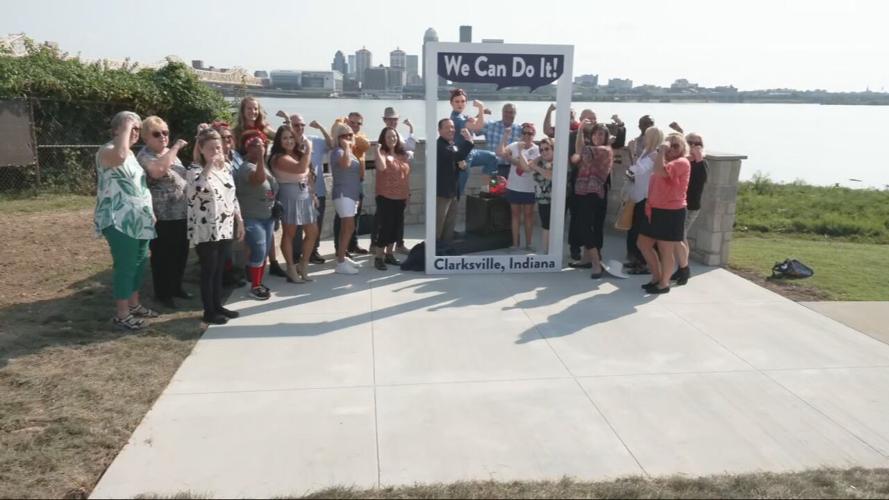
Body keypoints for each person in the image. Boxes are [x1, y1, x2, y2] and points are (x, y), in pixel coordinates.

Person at [95, 111, 158, 331]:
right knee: (126, 265)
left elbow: (138, 186)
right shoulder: (108, 150)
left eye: (137, 129)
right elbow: (119, 157)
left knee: (139, 263)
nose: (135, 132)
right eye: (131, 127)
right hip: (118, 219)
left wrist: (149, 210)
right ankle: (122, 314)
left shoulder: (130, 154)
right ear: (116, 130)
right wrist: (125, 127)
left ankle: (134, 305)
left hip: (138, 219)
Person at [187, 127, 244, 325]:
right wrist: (209, 165)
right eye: (211, 148)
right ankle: (208, 311)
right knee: (209, 270)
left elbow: (232, 195)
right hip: (206, 227)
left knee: (220, 269)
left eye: (218, 148)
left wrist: (239, 220)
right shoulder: (194, 170)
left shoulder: (226, 168)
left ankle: (218, 305)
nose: (216, 152)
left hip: (225, 225)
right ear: (201, 149)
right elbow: (196, 189)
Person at [136, 116, 190, 310]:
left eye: (165, 133)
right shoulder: (145, 155)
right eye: (157, 134)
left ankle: (176, 287)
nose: (163, 137)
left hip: (181, 212)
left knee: (180, 253)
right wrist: (175, 148)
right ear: (146, 138)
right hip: (162, 214)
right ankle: (163, 293)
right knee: (163, 256)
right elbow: (157, 171)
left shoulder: (168, 152)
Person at [637, 132, 691, 294]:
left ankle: (664, 284)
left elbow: (661, 172)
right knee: (643, 243)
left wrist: (661, 152)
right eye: (669, 145)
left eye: (676, 145)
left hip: (671, 212)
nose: (671, 148)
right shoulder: (663, 161)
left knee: (665, 249)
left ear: (683, 148)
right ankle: (657, 277)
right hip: (654, 209)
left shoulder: (682, 162)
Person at [277, 112, 331, 266]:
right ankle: (294, 258)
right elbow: (299, 168)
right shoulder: (289, 149)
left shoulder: (314, 141)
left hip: (316, 191)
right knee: (294, 230)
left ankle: (312, 253)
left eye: (302, 125)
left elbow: (331, 144)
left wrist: (321, 127)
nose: (300, 128)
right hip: (294, 195)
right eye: (296, 125)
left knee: (315, 227)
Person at [545, 105, 597, 261]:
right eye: (589, 119)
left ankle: (581, 247)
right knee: (567, 215)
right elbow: (548, 131)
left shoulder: (599, 136)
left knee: (581, 217)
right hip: (572, 181)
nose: (592, 121)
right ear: (580, 120)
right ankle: (567, 248)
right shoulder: (571, 135)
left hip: (591, 184)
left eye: (594, 119)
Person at [269, 124, 317, 283]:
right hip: (289, 196)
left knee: (312, 232)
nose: (289, 141)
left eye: (291, 137)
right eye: (285, 138)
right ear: (279, 141)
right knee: (289, 234)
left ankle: (303, 264)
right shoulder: (278, 157)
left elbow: (307, 174)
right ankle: (290, 267)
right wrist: (309, 149)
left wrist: (313, 194)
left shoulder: (298, 154)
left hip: (305, 195)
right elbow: (300, 168)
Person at [236, 131, 277, 300]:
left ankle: (258, 282)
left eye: (263, 144)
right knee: (259, 249)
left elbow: (271, 185)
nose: (262, 148)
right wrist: (261, 158)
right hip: (252, 217)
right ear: (248, 148)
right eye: (257, 145)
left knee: (264, 251)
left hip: (267, 215)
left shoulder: (261, 164)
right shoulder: (247, 167)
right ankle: (254, 286)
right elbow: (258, 180)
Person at [572, 121, 613, 278]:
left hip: (593, 195)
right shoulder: (592, 149)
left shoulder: (604, 150)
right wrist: (581, 130)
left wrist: (580, 132)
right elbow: (580, 151)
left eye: (601, 134)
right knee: (586, 226)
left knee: (584, 227)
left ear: (606, 137)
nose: (597, 136)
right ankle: (586, 259)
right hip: (584, 193)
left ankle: (596, 263)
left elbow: (579, 151)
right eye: (595, 133)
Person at [624, 126, 665, 274]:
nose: (644, 138)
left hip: (647, 198)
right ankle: (636, 260)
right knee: (634, 230)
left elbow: (638, 169)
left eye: (647, 136)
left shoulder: (655, 154)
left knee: (643, 233)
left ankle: (644, 264)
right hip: (639, 196)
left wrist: (632, 152)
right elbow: (634, 169)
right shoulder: (646, 152)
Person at [671, 131, 709, 285]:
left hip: (691, 206)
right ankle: (682, 268)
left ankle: (684, 269)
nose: (693, 146)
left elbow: (701, 180)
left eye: (697, 143)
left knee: (680, 237)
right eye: (690, 142)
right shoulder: (682, 161)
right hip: (677, 204)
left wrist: (699, 159)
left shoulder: (702, 163)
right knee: (679, 237)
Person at [372, 127, 411, 270]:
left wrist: (407, 194)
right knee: (385, 227)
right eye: (388, 137)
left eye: (394, 136)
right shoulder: (382, 152)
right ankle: (378, 257)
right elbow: (381, 168)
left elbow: (405, 176)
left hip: (401, 196)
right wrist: (377, 150)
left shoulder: (402, 154)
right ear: (383, 139)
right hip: (385, 196)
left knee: (396, 227)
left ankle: (389, 254)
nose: (392, 139)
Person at [498, 122, 540, 251]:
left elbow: (526, 167)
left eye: (530, 133)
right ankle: (515, 244)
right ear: (521, 134)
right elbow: (500, 153)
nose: (527, 136)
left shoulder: (537, 149)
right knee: (515, 215)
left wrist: (511, 159)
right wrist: (505, 136)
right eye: (525, 133)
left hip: (529, 188)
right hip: (514, 186)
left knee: (528, 215)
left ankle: (528, 244)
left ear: (534, 135)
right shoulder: (514, 145)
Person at [449, 88, 499, 195]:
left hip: (471, 153)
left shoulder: (462, 116)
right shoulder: (456, 118)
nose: (460, 104)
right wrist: (481, 108)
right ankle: (451, 209)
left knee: (492, 157)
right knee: (458, 190)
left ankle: (486, 190)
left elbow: (473, 123)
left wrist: (479, 114)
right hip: (462, 158)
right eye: (457, 101)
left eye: (462, 101)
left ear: (466, 103)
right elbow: (478, 127)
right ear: (451, 103)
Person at [332, 113, 370, 256]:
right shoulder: (340, 148)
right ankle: (340, 249)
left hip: (358, 182)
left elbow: (365, 145)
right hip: (344, 187)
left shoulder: (360, 137)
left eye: (358, 124)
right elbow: (335, 130)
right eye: (352, 123)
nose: (355, 126)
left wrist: (349, 133)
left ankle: (352, 245)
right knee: (342, 219)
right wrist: (342, 124)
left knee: (355, 216)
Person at [382, 107, 416, 255]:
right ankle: (382, 248)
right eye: (390, 119)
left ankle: (397, 244)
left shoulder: (398, 135)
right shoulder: (385, 138)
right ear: (384, 120)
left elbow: (409, 149)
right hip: (389, 185)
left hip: (401, 181)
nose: (393, 122)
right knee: (386, 219)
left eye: (395, 119)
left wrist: (411, 128)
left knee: (397, 218)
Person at [330, 121, 363, 274]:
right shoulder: (338, 151)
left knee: (346, 227)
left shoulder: (348, 151)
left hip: (351, 194)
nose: (348, 137)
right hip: (344, 194)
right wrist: (347, 147)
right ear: (338, 137)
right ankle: (341, 262)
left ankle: (342, 257)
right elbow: (345, 165)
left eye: (350, 135)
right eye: (344, 135)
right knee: (349, 227)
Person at [436, 118, 475, 241]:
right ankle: (435, 249)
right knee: (438, 223)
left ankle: (446, 247)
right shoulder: (439, 145)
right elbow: (456, 156)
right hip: (442, 192)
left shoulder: (451, 145)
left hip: (453, 190)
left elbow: (455, 161)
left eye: (452, 127)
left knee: (450, 223)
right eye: (447, 127)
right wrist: (469, 141)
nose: (451, 130)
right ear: (439, 130)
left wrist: (461, 166)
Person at [518, 136, 555, 253]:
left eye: (547, 149)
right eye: (541, 149)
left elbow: (550, 175)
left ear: (554, 149)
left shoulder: (559, 161)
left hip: (557, 200)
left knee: (554, 226)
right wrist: (520, 152)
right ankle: (546, 252)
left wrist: (536, 167)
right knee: (545, 225)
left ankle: (553, 252)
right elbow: (526, 167)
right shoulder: (540, 161)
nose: (544, 151)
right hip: (543, 199)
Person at [481, 103, 523, 179]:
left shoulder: (520, 129)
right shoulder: (490, 125)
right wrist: (481, 113)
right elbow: (472, 126)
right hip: (492, 167)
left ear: (515, 114)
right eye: (506, 112)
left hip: (511, 168)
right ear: (502, 112)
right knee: (490, 190)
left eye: (511, 112)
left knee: (510, 191)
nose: (508, 115)